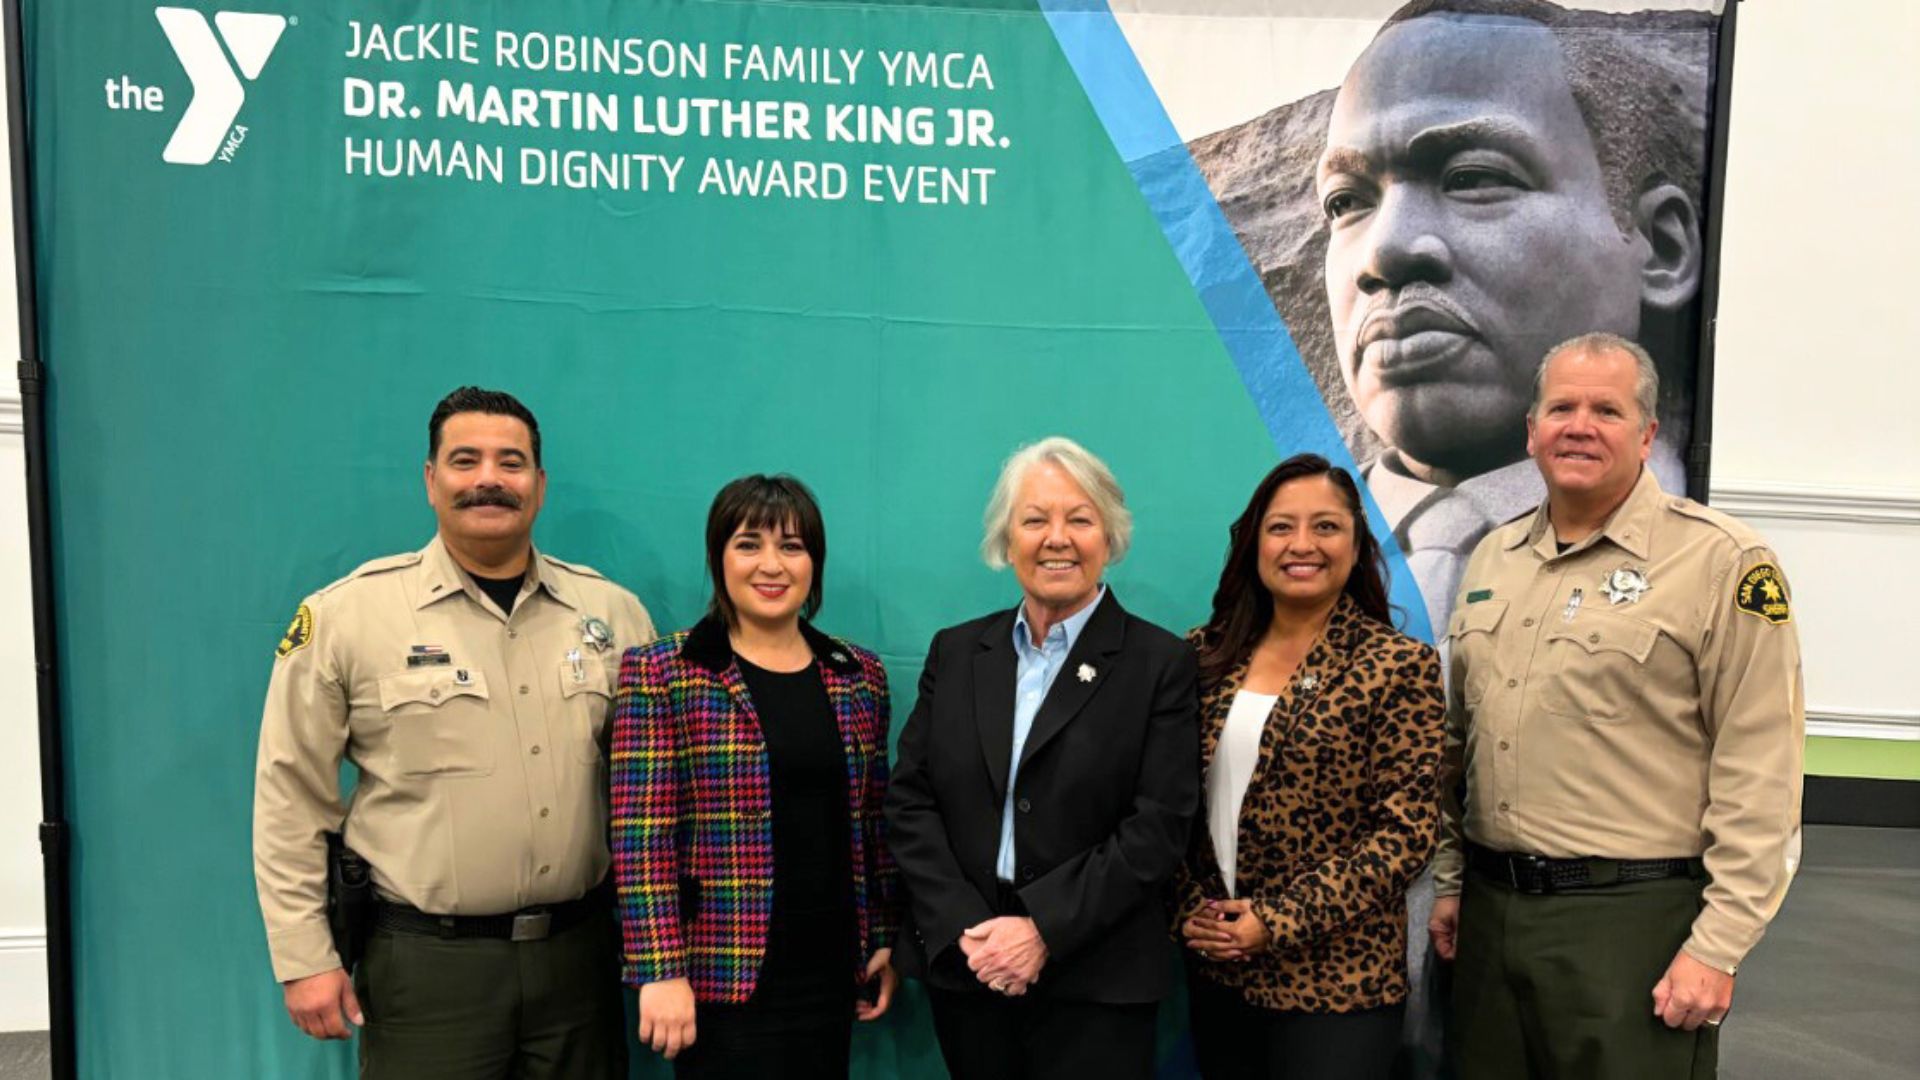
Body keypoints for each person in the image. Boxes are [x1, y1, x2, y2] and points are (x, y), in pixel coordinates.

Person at [1428, 333, 1805, 1077]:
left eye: (1607, 410)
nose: (1580, 426)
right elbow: (1457, 744)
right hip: (1491, 913)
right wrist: (1451, 880)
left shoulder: (1721, 561)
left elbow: (1761, 767)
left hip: (1633, 924)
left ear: (1648, 433)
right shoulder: (1494, 557)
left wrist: (1718, 947)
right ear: (1531, 430)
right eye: (1561, 408)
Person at [253, 386, 655, 1078]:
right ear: (430, 479)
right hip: (428, 969)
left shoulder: (612, 615)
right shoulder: (349, 617)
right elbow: (290, 797)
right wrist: (304, 956)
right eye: (465, 461)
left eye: (511, 462)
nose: (489, 479)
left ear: (540, 484)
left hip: (579, 962)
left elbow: (651, 794)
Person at [1315, 0, 1710, 630]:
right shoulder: (1276, 559)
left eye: (1473, 178)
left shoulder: (1708, 562)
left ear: (1662, 247)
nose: (1385, 251)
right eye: (1346, 202)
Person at [884, 436, 1199, 1080]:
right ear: (1007, 540)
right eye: (1034, 520)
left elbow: (1159, 827)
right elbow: (911, 800)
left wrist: (1040, 929)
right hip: (970, 971)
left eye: (1079, 519)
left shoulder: (1160, 664)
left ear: (1109, 537)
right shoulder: (957, 653)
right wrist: (968, 928)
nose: (1057, 538)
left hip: (1096, 982)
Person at [611, 474, 898, 1079]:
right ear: (719, 558)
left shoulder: (859, 675)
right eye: (748, 544)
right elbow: (641, 837)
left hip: (830, 970)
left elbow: (873, 823)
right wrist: (659, 970)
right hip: (720, 975)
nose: (772, 565)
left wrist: (881, 934)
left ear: (814, 563)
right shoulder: (664, 672)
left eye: (792, 547)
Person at [1174, 454, 1445, 1079]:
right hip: (1218, 969)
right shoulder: (1200, 657)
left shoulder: (1397, 666)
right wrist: (1189, 910)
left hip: (1338, 986)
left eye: (1325, 526)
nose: (1302, 544)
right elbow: (1162, 806)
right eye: (1281, 527)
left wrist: (1275, 922)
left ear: (1356, 545)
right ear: (1254, 543)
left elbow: (1405, 835)